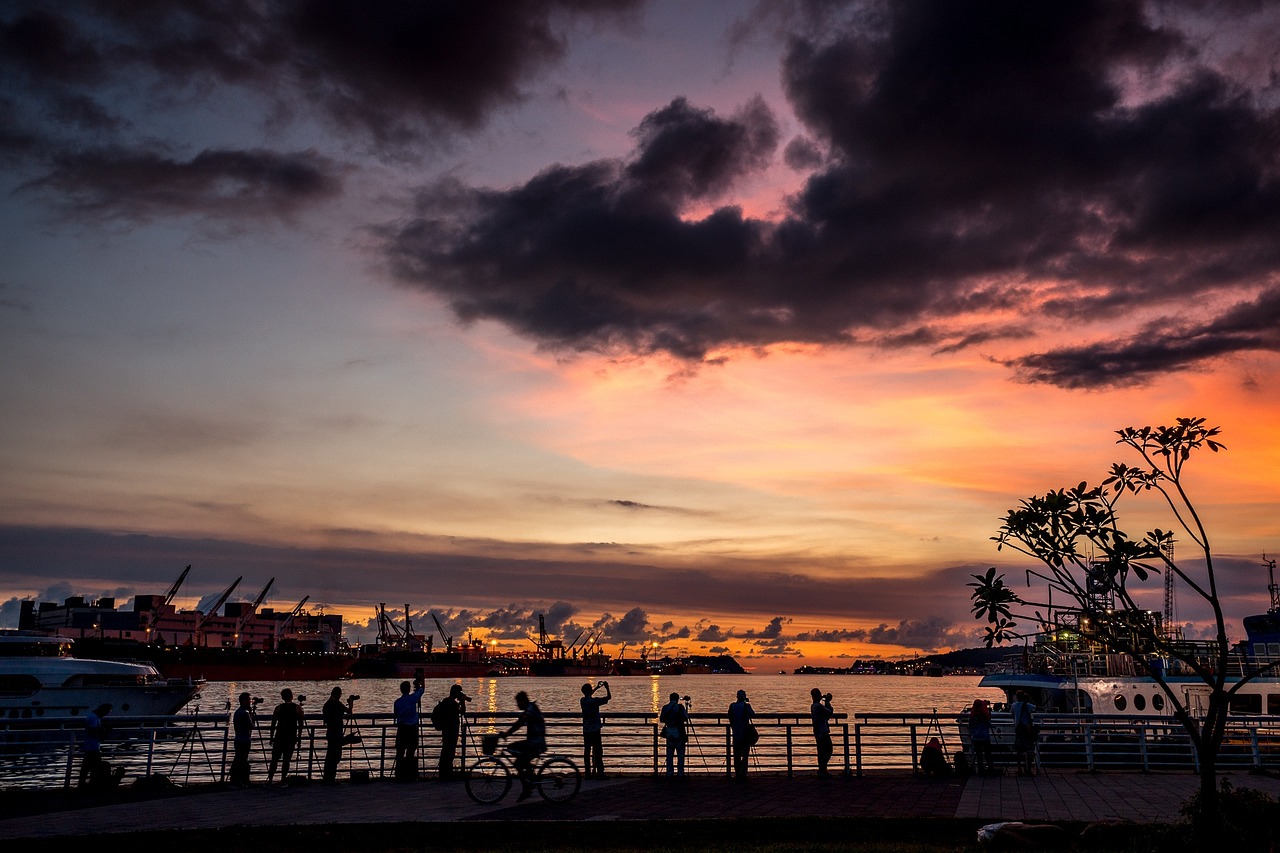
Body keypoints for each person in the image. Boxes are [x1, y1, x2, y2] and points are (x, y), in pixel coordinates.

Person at [501, 690, 546, 801]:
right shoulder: (530, 708)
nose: (517, 705)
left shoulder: (530, 710)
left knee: (518, 762)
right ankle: (529, 773)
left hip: (535, 743)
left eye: (518, 702)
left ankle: (527, 787)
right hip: (534, 742)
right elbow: (520, 722)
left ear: (522, 701)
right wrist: (508, 732)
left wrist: (507, 733)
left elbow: (520, 722)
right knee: (513, 749)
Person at [267, 688, 303, 786]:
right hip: (291, 737)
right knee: (286, 760)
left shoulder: (278, 708)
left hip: (279, 736)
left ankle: (270, 779)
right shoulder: (297, 708)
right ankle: (283, 780)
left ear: (282, 697)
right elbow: (301, 724)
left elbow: (273, 723)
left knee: (274, 759)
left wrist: (271, 737)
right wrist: (299, 738)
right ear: (292, 696)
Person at [393, 675, 426, 782]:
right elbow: (422, 690)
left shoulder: (397, 702)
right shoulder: (413, 698)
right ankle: (409, 774)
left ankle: (398, 774)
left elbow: (396, 714)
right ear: (409, 689)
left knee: (400, 752)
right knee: (411, 752)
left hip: (401, 729)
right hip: (412, 729)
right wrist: (422, 680)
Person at [322, 686, 355, 783]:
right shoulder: (337, 703)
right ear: (337, 694)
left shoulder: (327, 704)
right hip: (337, 732)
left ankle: (327, 777)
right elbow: (349, 711)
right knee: (336, 756)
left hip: (330, 732)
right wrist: (351, 703)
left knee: (329, 756)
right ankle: (331, 778)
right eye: (340, 694)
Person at [437, 683, 469, 781]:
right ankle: (447, 773)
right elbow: (463, 712)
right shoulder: (453, 704)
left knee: (445, 751)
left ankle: (443, 773)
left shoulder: (445, 702)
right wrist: (462, 702)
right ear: (456, 693)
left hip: (446, 731)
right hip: (452, 731)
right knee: (450, 753)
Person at [579, 680, 611, 778]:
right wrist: (607, 688)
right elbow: (608, 697)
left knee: (587, 751)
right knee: (598, 751)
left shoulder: (582, 701)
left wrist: (596, 688)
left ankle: (587, 772)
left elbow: (588, 695)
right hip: (595, 729)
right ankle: (600, 772)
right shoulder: (595, 701)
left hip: (586, 729)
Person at [78, 703, 112, 788]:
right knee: (94, 766)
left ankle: (83, 783)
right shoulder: (94, 718)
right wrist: (103, 730)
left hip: (90, 745)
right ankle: (91, 784)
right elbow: (92, 731)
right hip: (92, 746)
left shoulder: (92, 716)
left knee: (87, 765)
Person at [658, 692, 689, 778]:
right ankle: (680, 773)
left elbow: (662, 719)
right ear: (677, 699)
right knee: (680, 754)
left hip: (669, 731)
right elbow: (685, 718)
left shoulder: (665, 708)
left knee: (669, 754)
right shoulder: (680, 707)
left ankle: (669, 773)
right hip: (679, 732)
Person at [727, 689, 755, 780]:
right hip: (745, 734)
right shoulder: (746, 706)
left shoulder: (732, 706)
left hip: (735, 733)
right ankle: (743, 773)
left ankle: (737, 773)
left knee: (736, 754)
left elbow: (730, 717)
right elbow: (753, 714)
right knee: (745, 755)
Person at [1009, 689, 1038, 776]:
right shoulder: (1027, 705)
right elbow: (1035, 708)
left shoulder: (1013, 705)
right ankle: (1028, 769)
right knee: (1029, 750)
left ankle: (1019, 769)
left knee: (1019, 751)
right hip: (1026, 729)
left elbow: (1012, 714)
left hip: (1018, 729)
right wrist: (1029, 700)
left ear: (1017, 697)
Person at [229, 692, 254, 787]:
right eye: (248, 699)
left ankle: (235, 780)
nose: (250, 701)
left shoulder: (237, 712)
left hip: (238, 739)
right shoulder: (245, 713)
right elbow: (251, 726)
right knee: (242, 760)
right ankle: (240, 780)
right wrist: (251, 713)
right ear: (244, 701)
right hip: (244, 740)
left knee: (238, 759)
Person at [810, 688, 835, 777]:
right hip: (822, 732)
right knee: (828, 750)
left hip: (818, 731)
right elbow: (830, 712)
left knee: (822, 752)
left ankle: (822, 770)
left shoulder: (814, 706)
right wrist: (827, 703)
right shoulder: (818, 706)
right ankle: (822, 770)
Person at [968, 698, 993, 775]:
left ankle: (980, 769)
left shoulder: (972, 716)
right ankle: (990, 769)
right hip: (985, 736)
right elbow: (988, 723)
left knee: (979, 754)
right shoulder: (984, 715)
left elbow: (970, 725)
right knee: (988, 753)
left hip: (976, 737)